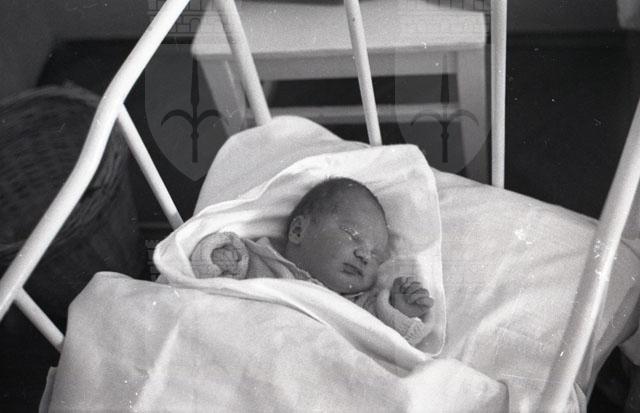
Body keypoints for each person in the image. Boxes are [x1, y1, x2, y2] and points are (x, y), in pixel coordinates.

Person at [190, 177, 433, 345]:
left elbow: (389, 342)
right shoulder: (257, 260)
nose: (364, 255)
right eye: (352, 234)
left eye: (376, 255)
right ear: (298, 231)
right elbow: (206, 277)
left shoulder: (361, 305)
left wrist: (399, 309)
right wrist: (220, 257)